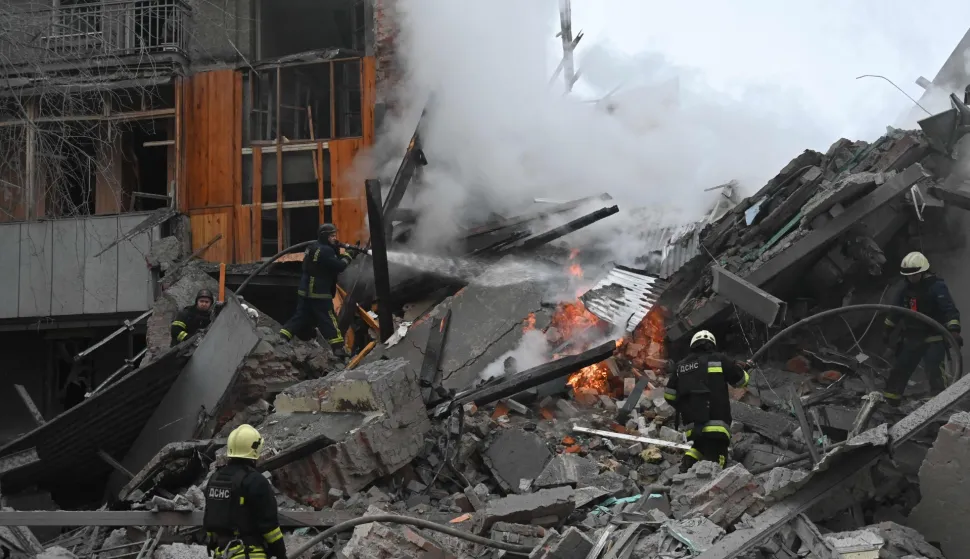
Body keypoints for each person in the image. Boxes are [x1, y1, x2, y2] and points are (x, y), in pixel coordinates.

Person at [664, 330, 750, 472]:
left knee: (699, 447)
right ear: (712, 344)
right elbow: (741, 381)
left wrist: (685, 406)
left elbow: (669, 395)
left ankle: (684, 469)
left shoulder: (680, 367)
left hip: (693, 426)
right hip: (717, 424)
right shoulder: (719, 359)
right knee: (716, 465)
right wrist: (742, 368)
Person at [882, 251, 962, 404]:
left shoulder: (936, 287)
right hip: (911, 337)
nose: (911, 278)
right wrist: (887, 330)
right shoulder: (905, 289)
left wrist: (954, 331)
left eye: (914, 274)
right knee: (900, 369)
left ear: (923, 271)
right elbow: (895, 312)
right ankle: (890, 401)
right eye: (908, 275)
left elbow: (949, 310)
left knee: (934, 369)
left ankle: (939, 404)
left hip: (933, 336)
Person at [203, 424, 287, 559]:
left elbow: (209, 523)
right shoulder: (255, 481)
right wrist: (281, 555)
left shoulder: (215, 479)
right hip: (248, 554)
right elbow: (270, 529)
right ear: (254, 449)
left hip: (221, 553)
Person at [279, 223, 353, 358]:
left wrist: (335, 249)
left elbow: (319, 263)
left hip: (305, 290)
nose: (335, 238)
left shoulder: (312, 247)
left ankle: (283, 336)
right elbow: (339, 266)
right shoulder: (326, 251)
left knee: (301, 315)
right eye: (332, 236)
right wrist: (349, 255)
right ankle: (338, 348)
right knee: (328, 318)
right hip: (319, 291)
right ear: (325, 236)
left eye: (335, 236)